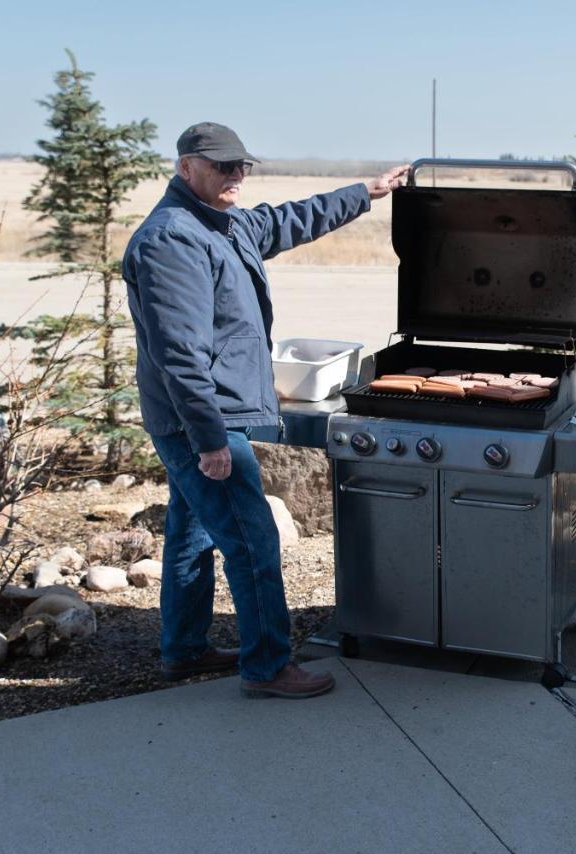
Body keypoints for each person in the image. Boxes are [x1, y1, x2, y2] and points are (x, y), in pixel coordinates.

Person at [122, 122, 408, 698]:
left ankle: (184, 649)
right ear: (186, 168)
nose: (236, 176)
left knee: (191, 533)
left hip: (211, 416)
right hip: (204, 422)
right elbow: (179, 355)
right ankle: (269, 666)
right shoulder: (172, 240)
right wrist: (208, 442)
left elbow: (290, 219)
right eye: (223, 166)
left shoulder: (223, 223)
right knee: (254, 541)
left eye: (242, 166)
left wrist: (367, 193)